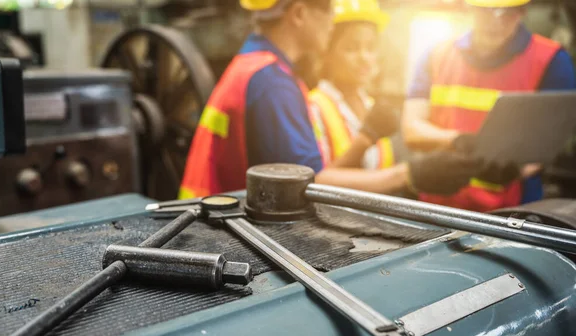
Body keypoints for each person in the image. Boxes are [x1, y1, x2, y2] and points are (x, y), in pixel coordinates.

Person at [179, 0, 480, 200]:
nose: (331, 21)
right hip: (222, 229)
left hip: (213, 217)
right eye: (327, 12)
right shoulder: (273, 83)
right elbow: (308, 183)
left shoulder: (257, 67)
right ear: (298, 14)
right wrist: (411, 175)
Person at [403, 0, 576, 212]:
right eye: (487, 12)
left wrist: (516, 170)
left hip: (511, 214)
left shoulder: (551, 60)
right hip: (439, 207)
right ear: (470, 8)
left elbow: (549, 142)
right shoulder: (436, 54)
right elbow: (411, 128)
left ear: (522, 11)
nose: (496, 22)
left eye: (506, 13)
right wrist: (456, 140)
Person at [309, 0, 407, 171]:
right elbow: (316, 180)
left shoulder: (371, 106)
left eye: (370, 48)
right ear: (327, 53)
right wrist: (365, 140)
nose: (364, 57)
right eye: (351, 48)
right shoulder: (313, 107)